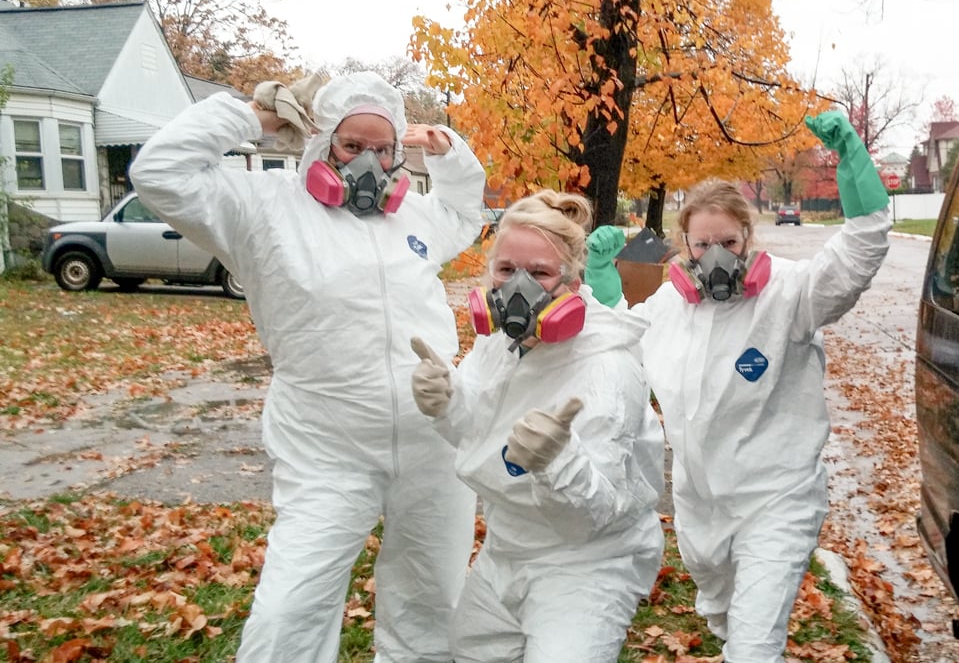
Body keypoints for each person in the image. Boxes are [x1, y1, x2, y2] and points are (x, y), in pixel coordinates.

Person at [129, 71, 484, 662]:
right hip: (327, 445)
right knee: (292, 605)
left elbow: (462, 211)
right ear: (321, 143)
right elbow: (159, 172)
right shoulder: (260, 207)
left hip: (432, 440)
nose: (367, 162)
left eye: (383, 149)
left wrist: (450, 155)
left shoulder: (414, 218)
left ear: (398, 154)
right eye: (352, 145)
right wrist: (252, 119)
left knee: (431, 604)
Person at [585, 110, 892, 661]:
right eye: (702, 245)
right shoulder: (667, 308)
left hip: (778, 500)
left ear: (747, 238)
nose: (715, 256)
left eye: (727, 240)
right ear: (684, 246)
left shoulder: (791, 296)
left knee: (753, 647)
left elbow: (855, 260)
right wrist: (603, 284)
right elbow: (617, 343)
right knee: (726, 618)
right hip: (701, 507)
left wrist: (856, 176)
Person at [409, 190, 665, 662]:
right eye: (506, 271)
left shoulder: (608, 368)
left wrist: (558, 461)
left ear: (571, 281)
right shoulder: (501, 344)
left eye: (540, 273)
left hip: (586, 565)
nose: (518, 288)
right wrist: (446, 403)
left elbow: (595, 515)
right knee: (469, 652)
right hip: (507, 549)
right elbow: (479, 435)